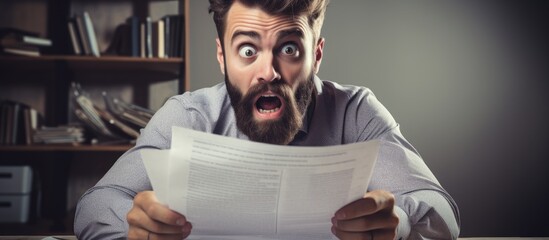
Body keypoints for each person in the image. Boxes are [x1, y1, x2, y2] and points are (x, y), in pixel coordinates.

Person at [74, 0, 460, 239]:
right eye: (247, 49)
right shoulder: (188, 116)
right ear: (222, 56)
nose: (269, 71)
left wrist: (398, 221)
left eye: (289, 48)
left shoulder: (355, 112)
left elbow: (440, 211)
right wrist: (134, 226)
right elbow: (95, 205)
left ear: (317, 54)